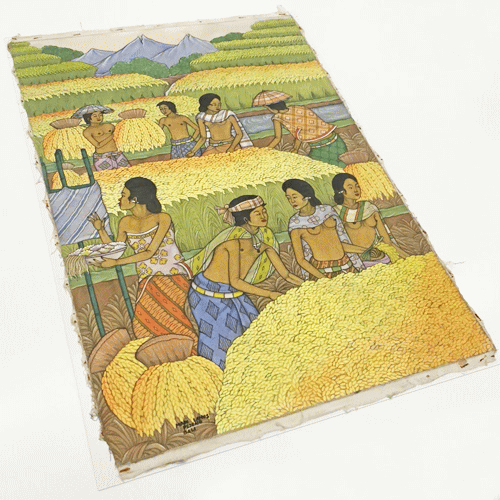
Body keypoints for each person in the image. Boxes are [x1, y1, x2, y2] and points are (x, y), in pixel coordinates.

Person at [186, 195, 303, 369]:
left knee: (256, 329)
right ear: (246, 218)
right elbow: (236, 281)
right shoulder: (233, 243)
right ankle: (217, 376)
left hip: (232, 293)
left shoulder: (263, 242)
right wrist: (270, 294)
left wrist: (307, 286)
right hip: (208, 295)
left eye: (264, 211)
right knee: (224, 341)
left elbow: (286, 275)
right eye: (257, 213)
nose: (263, 215)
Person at [88, 177, 198, 352]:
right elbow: (116, 250)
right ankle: (163, 357)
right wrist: (101, 230)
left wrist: (115, 263)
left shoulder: (162, 218)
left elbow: (149, 252)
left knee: (172, 318)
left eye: (123, 195)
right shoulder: (125, 222)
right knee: (143, 323)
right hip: (147, 278)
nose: (119, 199)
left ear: (135, 199)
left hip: (172, 275)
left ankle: (191, 352)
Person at [282, 179, 366, 279]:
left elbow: (340, 243)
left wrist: (366, 251)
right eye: (288, 198)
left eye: (294, 197)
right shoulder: (295, 223)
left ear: (306, 195)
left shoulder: (327, 211)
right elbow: (301, 260)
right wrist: (323, 279)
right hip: (321, 271)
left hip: (346, 265)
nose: (292, 201)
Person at [331, 173, 409, 266]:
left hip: (383, 259)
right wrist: (366, 251)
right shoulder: (335, 213)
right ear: (341, 191)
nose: (356, 190)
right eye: (350, 187)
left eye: (357, 186)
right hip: (356, 263)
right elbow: (337, 245)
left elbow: (387, 241)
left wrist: (408, 258)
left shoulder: (369, 208)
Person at [261, 94, 347, 167]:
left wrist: (265, 151)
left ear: (273, 109)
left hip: (319, 149)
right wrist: (295, 148)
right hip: (336, 142)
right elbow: (301, 131)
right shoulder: (299, 108)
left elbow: (277, 138)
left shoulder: (277, 118)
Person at [186, 93, 253, 157]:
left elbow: (239, 134)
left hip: (230, 145)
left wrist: (232, 148)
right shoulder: (201, 118)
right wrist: (193, 151)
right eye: (214, 104)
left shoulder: (227, 115)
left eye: (219, 104)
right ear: (206, 105)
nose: (217, 106)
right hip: (214, 147)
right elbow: (203, 137)